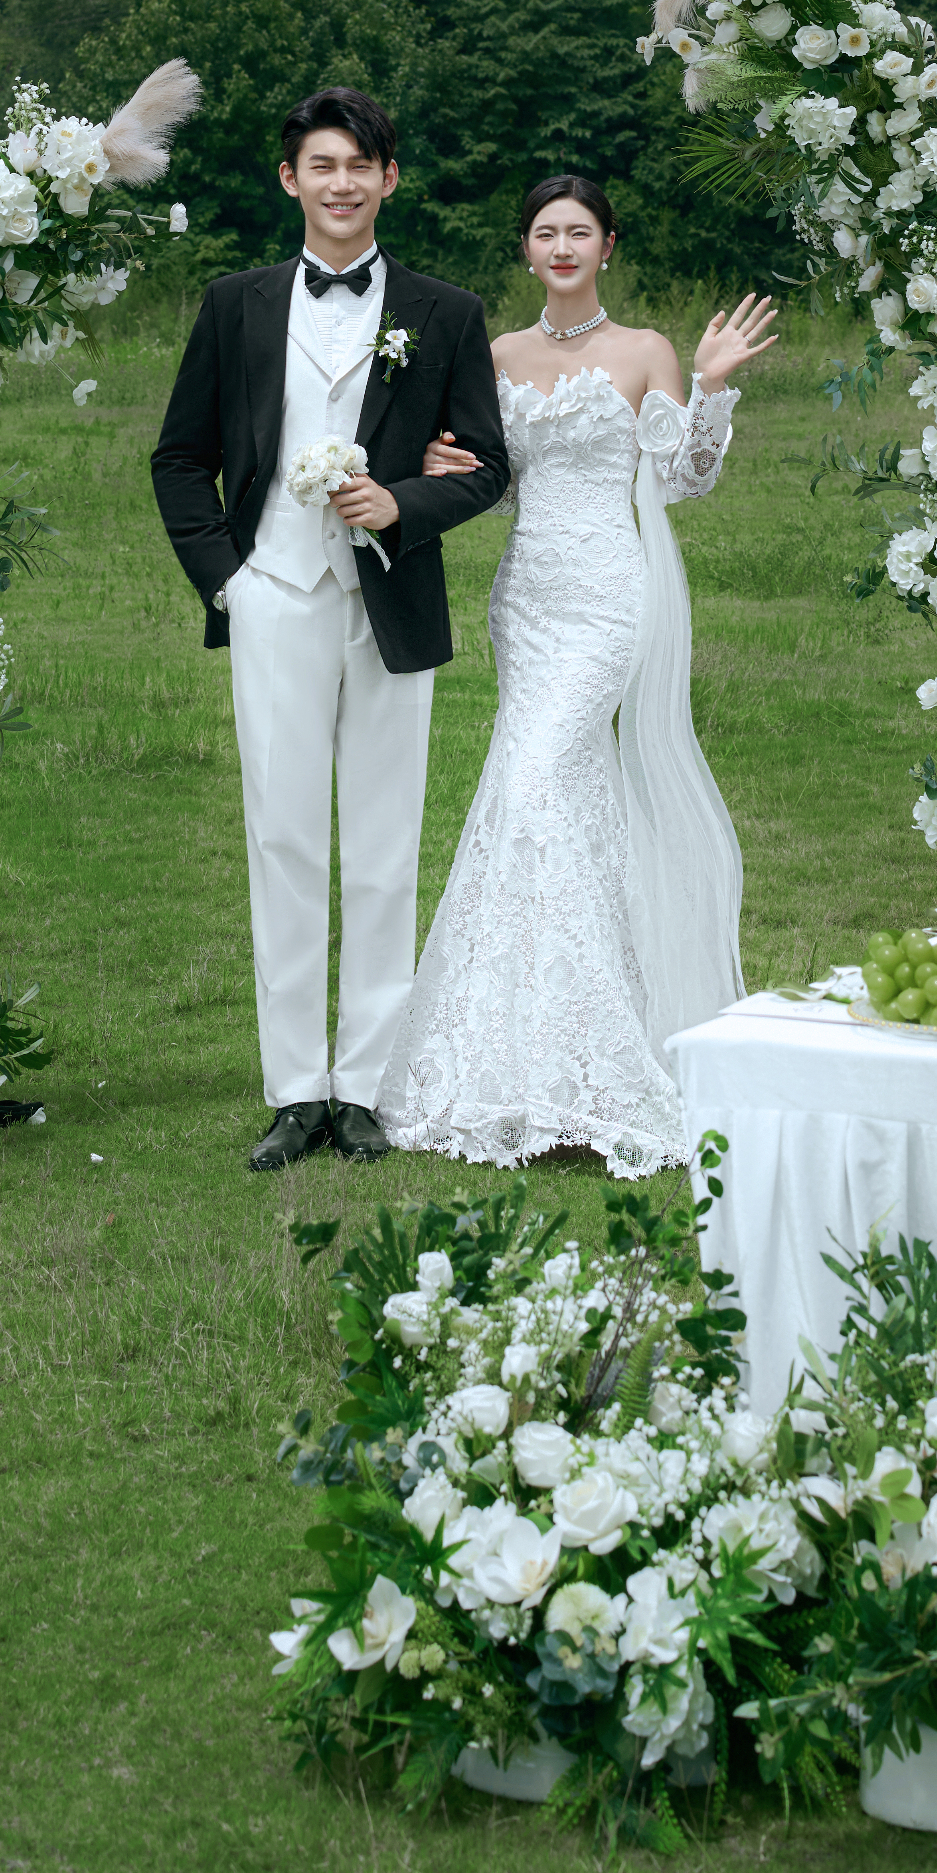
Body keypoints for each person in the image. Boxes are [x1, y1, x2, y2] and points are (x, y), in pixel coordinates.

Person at [376, 174, 775, 1177]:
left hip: (607, 598)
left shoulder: (646, 351)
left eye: (579, 231)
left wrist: (715, 386)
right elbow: (484, 472)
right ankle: (524, 1062)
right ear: (525, 250)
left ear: (608, 246)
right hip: (527, 600)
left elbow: (683, 478)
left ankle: (597, 1056)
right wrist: (436, 460)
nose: (561, 245)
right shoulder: (496, 352)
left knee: (535, 781)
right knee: (562, 799)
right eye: (544, 231)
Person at [149, 86, 511, 1172]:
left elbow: (488, 465)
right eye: (322, 164)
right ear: (290, 179)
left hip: (392, 598)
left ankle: (369, 1085)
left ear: (388, 179)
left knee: (388, 842)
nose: (342, 183)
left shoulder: (445, 313)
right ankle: (296, 1088)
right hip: (276, 599)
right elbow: (179, 457)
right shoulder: (236, 303)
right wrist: (233, 580)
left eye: (361, 164)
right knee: (285, 836)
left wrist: (407, 501)